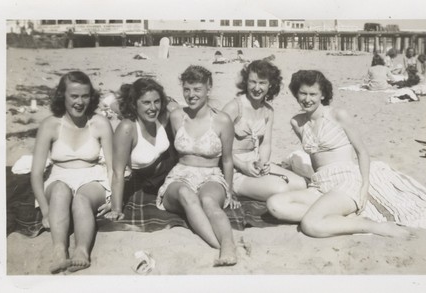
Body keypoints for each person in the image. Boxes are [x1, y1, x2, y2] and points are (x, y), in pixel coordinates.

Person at [267, 70, 426, 238]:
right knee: (275, 204)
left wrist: (364, 187)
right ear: (296, 93)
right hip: (319, 183)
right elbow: (315, 156)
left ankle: (369, 225)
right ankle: (333, 216)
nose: (307, 99)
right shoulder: (297, 122)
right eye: (302, 93)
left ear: (322, 94)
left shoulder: (337, 115)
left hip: (347, 181)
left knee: (311, 225)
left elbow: (362, 151)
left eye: (313, 94)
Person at [30, 71, 113, 273]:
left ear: (91, 97)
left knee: (81, 199)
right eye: (74, 96)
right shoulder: (50, 125)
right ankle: (59, 250)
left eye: (85, 96)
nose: (80, 102)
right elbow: (36, 173)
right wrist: (45, 210)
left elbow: (112, 168)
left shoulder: (100, 123)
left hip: (92, 177)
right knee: (59, 192)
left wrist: (112, 199)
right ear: (62, 96)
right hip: (59, 175)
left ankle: (82, 252)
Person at [156, 65, 240, 266]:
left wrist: (230, 190)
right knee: (186, 194)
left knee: (209, 201)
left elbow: (227, 159)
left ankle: (228, 245)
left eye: (197, 89)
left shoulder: (222, 120)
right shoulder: (176, 116)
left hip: (211, 174)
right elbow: (144, 106)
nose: (191, 95)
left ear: (208, 89)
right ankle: (217, 245)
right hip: (180, 175)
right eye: (187, 89)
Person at [222, 60, 306, 201]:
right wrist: (243, 166)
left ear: (270, 85)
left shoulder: (268, 110)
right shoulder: (234, 107)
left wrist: (264, 163)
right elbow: (216, 144)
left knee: (301, 184)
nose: (257, 88)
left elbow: (265, 143)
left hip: (255, 163)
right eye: (252, 82)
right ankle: (239, 190)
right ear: (245, 82)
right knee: (280, 189)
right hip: (233, 167)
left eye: (262, 83)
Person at [104, 78, 179, 221]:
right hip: (151, 180)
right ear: (134, 103)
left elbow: (170, 108)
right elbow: (118, 172)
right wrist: (116, 208)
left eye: (156, 101)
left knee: (175, 110)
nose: (153, 107)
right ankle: (112, 101)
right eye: (146, 102)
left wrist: (170, 103)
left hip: (174, 164)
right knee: (128, 114)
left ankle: (114, 101)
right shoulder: (127, 128)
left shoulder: (162, 115)